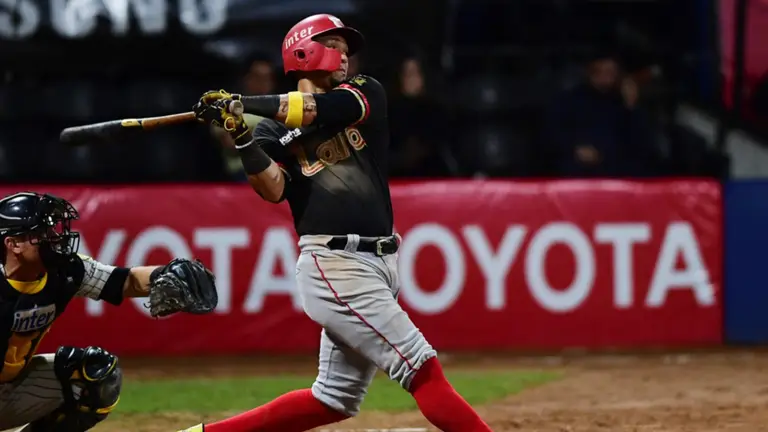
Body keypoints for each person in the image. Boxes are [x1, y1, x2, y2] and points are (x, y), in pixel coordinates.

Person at [180, 13, 492, 432]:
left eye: (345, 50)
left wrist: (242, 103)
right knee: (421, 368)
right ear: (302, 52)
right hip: (335, 264)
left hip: (381, 263)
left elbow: (317, 110)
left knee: (332, 399)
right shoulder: (270, 131)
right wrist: (241, 136)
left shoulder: (362, 91)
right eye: (334, 47)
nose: (344, 57)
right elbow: (272, 188)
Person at [0, 192, 218, 431]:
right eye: (42, 233)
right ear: (13, 244)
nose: (54, 237)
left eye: (52, 229)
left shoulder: (65, 270)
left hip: (11, 385)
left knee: (96, 374)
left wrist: (166, 274)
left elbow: (125, 281)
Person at [546, 53, 654, 177]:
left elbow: (641, 144)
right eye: (601, 71)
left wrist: (631, 106)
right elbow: (553, 134)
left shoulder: (623, 104)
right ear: (590, 72)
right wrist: (574, 149)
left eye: (611, 72)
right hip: (577, 171)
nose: (606, 76)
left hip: (616, 173)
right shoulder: (569, 100)